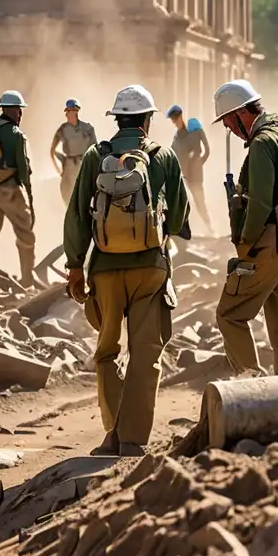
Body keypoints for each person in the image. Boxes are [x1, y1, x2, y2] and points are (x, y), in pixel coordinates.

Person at [64, 85, 189, 457]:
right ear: (148, 120)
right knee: (146, 353)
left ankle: (112, 431)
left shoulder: (95, 155)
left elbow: (76, 215)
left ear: (116, 119)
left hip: (103, 269)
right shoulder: (163, 156)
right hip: (150, 269)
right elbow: (180, 214)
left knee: (106, 351)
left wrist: (75, 267)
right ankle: (133, 438)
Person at [213, 80, 278, 376]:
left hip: (271, 239)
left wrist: (247, 243)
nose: (227, 127)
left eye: (227, 119)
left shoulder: (263, 142)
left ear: (241, 112)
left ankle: (253, 386)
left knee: (229, 315)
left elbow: (262, 201)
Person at [0, 90, 38, 287]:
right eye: (19, 111)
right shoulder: (16, 135)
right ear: (13, 111)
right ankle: (27, 279)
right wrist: (29, 195)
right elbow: (23, 170)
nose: (20, 115)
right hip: (9, 191)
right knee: (25, 233)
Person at [167, 104, 213, 234]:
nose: (174, 122)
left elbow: (207, 150)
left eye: (175, 119)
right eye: (173, 120)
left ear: (180, 116)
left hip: (195, 175)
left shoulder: (195, 129)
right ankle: (184, 231)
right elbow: (172, 154)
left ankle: (210, 228)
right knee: (181, 202)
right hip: (183, 174)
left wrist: (198, 164)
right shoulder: (176, 138)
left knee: (199, 202)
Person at [50, 99, 98, 205]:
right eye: (67, 111)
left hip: (84, 164)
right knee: (67, 194)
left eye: (69, 111)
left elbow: (95, 148)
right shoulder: (62, 129)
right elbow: (52, 150)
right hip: (69, 166)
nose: (66, 114)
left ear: (75, 112)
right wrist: (60, 166)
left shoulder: (88, 128)